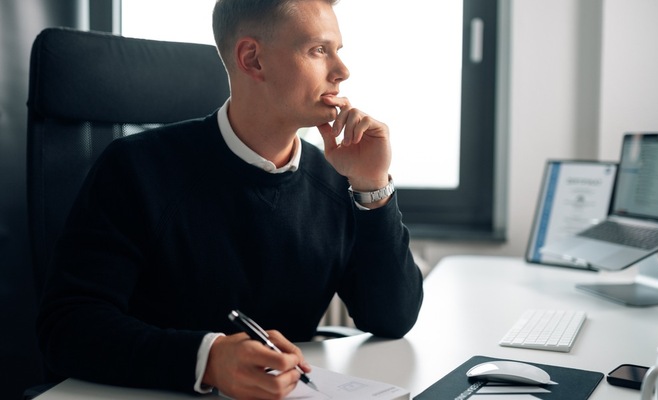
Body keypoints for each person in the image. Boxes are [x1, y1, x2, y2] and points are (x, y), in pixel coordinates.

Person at [35, 0, 424, 398]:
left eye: (337, 51)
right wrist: (208, 359)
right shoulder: (135, 168)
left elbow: (392, 318)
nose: (342, 71)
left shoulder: (336, 180)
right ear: (252, 59)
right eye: (318, 50)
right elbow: (67, 327)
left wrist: (372, 186)